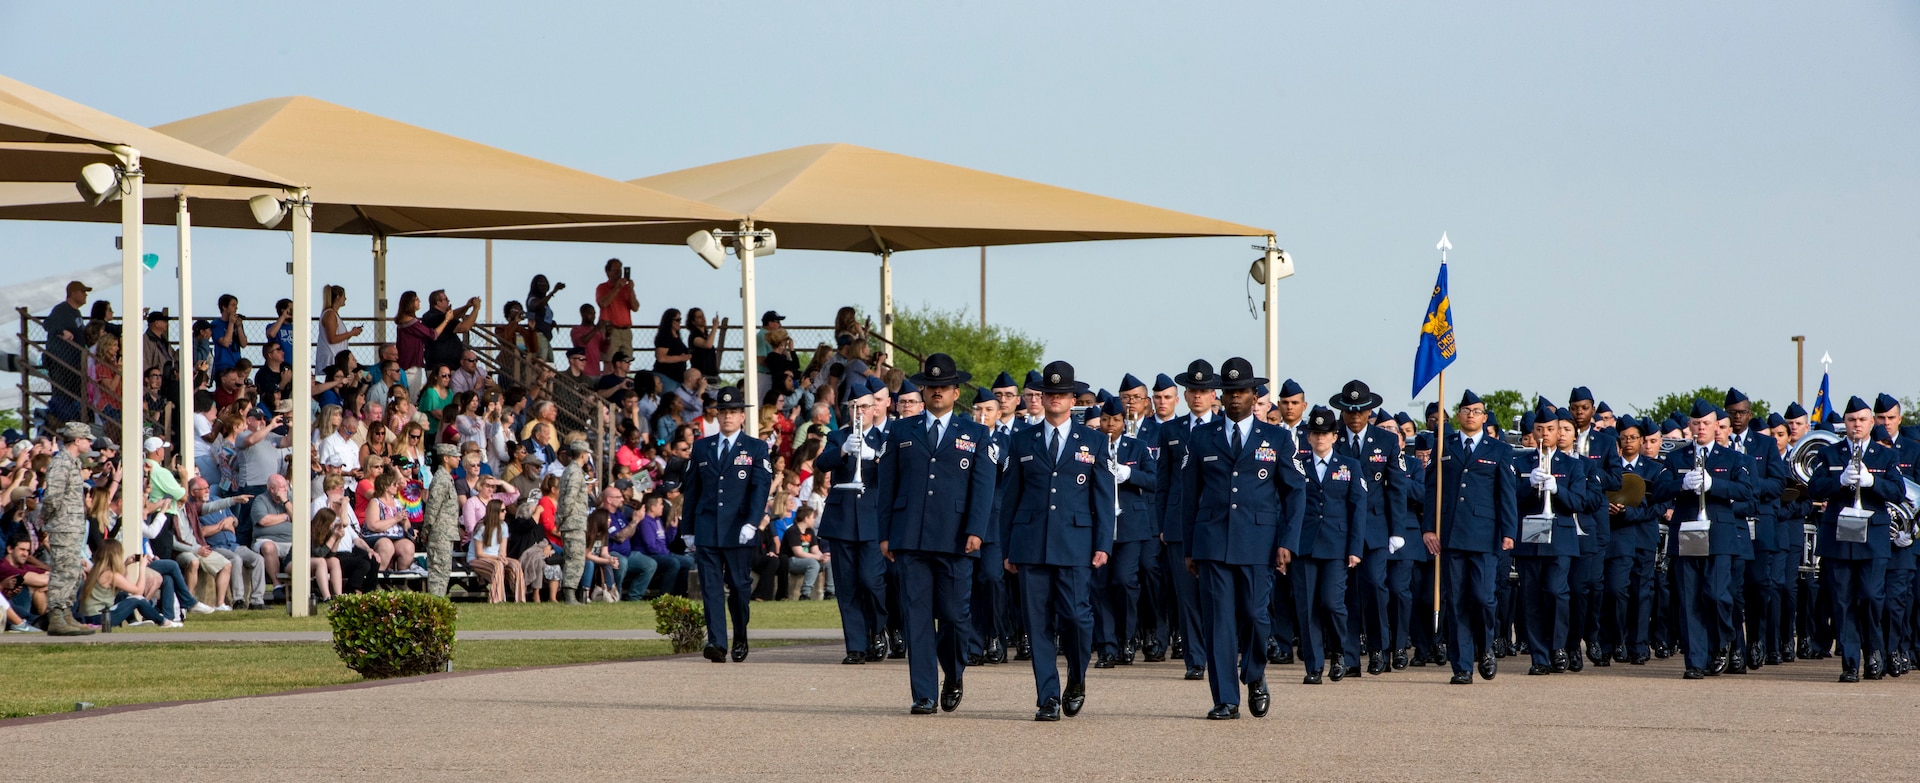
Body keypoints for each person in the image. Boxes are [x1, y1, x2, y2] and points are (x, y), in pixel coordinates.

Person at [1176, 357, 1304, 719]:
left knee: (1255, 614)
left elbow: (1295, 492)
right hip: (1212, 541)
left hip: (1259, 542)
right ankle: (1226, 699)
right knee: (1219, 621)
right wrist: (1189, 548)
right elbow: (1189, 496)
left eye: (1242, 391)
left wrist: (1287, 541)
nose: (1235, 398)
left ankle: (1255, 673)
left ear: (1254, 394)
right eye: (1229, 392)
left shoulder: (1276, 437)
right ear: (1222, 395)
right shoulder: (1202, 437)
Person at [876, 353, 996, 716]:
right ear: (923, 391)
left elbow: (983, 486)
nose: (937, 393)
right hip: (911, 537)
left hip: (957, 537)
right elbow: (887, 486)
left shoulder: (976, 433)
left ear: (956, 392)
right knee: (917, 617)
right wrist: (885, 534)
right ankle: (924, 693)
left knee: (956, 617)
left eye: (944, 387)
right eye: (931, 387)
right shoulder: (900, 431)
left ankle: (954, 674)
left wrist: (977, 529)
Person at [1655, 398, 1757, 679]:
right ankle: (1695, 662)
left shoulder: (1733, 458)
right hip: (1687, 532)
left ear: (1717, 426)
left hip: (1721, 535)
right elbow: (1659, 490)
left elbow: (1747, 491)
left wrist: (1716, 485)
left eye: (1706, 423)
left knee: (1716, 594)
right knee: (1689, 600)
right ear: (1689, 426)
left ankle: (1723, 638)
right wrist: (1681, 484)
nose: (1701, 428)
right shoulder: (1677, 458)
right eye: (1696, 423)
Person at [1805, 396, 1904, 682]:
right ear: (1844, 424)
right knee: (1843, 601)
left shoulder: (1885, 456)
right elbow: (1814, 488)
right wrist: (1840, 481)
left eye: (1862, 420)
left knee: (1872, 597)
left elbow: (1897, 492)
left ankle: (1874, 651)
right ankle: (1850, 662)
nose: (1856, 425)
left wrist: (1872, 482)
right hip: (1840, 537)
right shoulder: (1830, 454)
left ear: (1872, 423)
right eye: (1851, 420)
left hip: (1872, 536)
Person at [1423, 389, 1518, 685]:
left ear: (1485, 417)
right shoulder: (1444, 445)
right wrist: (1429, 528)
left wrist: (1508, 531)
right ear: (1459, 415)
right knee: (1457, 602)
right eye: (1466, 410)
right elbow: (1431, 490)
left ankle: (1485, 646)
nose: (1470, 415)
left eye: (1476, 411)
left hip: (1484, 534)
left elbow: (1506, 494)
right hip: (1451, 534)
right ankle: (1462, 666)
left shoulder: (1498, 449)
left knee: (1483, 598)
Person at [683, 385, 773, 661]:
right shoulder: (702, 448)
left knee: (738, 588)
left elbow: (760, 488)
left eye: (733, 411)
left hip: (739, 530)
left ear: (742, 416)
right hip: (708, 528)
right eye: (723, 412)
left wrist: (753, 522)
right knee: (711, 588)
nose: (728, 417)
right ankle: (717, 643)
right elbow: (692, 491)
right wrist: (687, 530)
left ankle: (741, 634)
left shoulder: (756, 448)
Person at [1328, 379, 1409, 677]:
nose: (1354, 416)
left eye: (1360, 410)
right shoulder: (1332, 439)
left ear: (1370, 411)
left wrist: (1397, 530)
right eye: (1349, 410)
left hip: (1374, 527)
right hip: (1339, 528)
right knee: (1344, 594)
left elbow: (1396, 488)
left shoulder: (1385, 441)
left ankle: (1379, 650)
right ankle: (1349, 657)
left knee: (1375, 587)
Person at [1513, 407, 1599, 675]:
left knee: (1556, 592)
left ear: (1559, 431)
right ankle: (1539, 657)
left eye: (1551, 429)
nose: (1545, 434)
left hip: (1561, 536)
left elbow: (1580, 502)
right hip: (1531, 535)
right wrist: (1530, 486)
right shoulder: (1521, 463)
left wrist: (1556, 488)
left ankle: (1558, 646)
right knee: (1531, 598)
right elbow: (1511, 499)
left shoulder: (1572, 465)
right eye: (1540, 430)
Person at [813, 375, 890, 662]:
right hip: (843, 518)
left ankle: (878, 630)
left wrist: (876, 456)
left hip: (873, 519)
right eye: (855, 407)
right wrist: (844, 450)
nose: (860, 412)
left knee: (871, 581)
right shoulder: (837, 436)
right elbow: (821, 463)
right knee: (847, 585)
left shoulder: (886, 438)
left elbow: (898, 472)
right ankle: (856, 646)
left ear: (875, 409)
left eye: (865, 407)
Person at [1155, 360, 1219, 680]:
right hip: (1179, 521)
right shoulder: (1170, 430)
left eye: (1204, 390)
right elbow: (1162, 482)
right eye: (1192, 390)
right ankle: (1195, 659)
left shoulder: (1224, 427)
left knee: (1218, 595)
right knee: (1187, 596)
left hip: (1217, 522)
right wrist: (1162, 524)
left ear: (1214, 395)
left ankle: (1219, 653)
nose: (1197, 396)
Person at [1292, 406, 1366, 683]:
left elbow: (1358, 508)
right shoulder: (1298, 465)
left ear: (1335, 436)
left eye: (1325, 434)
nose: (1320, 438)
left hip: (1336, 545)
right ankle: (1313, 666)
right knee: (1307, 606)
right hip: (1304, 544)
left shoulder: (1350, 466)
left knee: (1332, 603)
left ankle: (1339, 652)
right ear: (1308, 437)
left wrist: (1355, 549)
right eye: (1315, 433)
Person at [1093, 396, 1158, 669]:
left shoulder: (1138, 447)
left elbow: (1155, 480)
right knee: (1100, 586)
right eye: (1106, 420)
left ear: (1124, 422)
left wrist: (1130, 475)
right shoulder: (1092, 444)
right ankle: (1107, 647)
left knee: (1124, 581)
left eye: (1116, 420)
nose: (1110, 425)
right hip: (1099, 525)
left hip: (1131, 525)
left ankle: (1127, 639)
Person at [41, 422, 97, 635]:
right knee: (63, 571)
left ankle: (65, 613)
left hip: (72, 527)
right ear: (77, 440)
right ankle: (56, 615)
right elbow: (52, 497)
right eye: (87, 439)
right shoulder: (62, 463)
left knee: (73, 570)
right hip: (63, 526)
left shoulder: (72, 462)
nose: (90, 442)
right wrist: (47, 520)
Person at [81, 540, 180, 630]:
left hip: (90, 617)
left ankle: (133, 621)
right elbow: (138, 592)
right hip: (101, 618)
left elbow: (126, 587)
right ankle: (164, 622)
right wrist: (142, 567)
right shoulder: (111, 575)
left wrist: (126, 566)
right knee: (137, 600)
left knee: (122, 595)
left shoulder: (97, 571)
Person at [556, 437, 597, 604]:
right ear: (583, 454)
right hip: (573, 522)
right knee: (575, 559)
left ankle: (571, 594)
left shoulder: (570, 470)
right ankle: (570, 595)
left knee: (574, 558)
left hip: (574, 521)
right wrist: (561, 518)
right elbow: (569, 498)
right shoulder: (574, 472)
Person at [423, 443, 462, 597]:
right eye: (455, 456)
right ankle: (436, 603)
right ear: (446, 458)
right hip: (439, 533)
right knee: (438, 569)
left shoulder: (446, 478)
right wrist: (426, 530)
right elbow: (432, 508)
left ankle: (439, 602)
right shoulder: (441, 479)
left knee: (444, 569)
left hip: (445, 533)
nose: (458, 459)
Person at [595, 258, 639, 360]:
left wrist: (631, 289)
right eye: (615, 270)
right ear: (607, 272)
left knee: (626, 361)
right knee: (610, 360)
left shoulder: (626, 288)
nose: (618, 273)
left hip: (626, 330)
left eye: (620, 270)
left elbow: (635, 307)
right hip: (611, 330)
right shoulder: (602, 287)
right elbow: (603, 303)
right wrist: (617, 288)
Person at [652, 309, 692, 383]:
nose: (679, 322)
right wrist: (681, 358)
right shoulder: (664, 337)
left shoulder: (677, 337)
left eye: (680, 320)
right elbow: (661, 357)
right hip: (666, 376)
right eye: (677, 320)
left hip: (677, 377)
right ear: (669, 321)